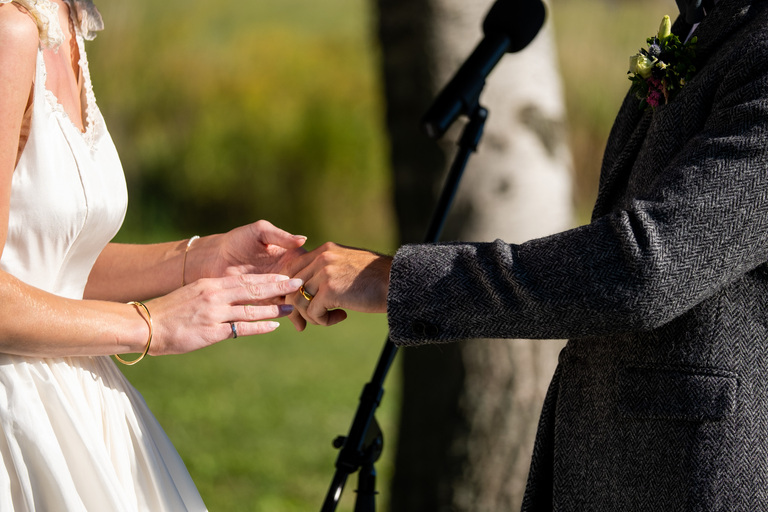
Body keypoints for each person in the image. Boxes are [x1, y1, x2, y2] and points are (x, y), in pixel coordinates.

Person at [287, 0, 768, 509]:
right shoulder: (704, 24)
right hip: (613, 461)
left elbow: (646, 266)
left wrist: (398, 280)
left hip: (693, 476)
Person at [0, 0, 306, 509]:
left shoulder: (67, 23)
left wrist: (198, 258)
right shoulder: (8, 32)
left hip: (80, 404)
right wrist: (149, 326)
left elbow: (47, 264)